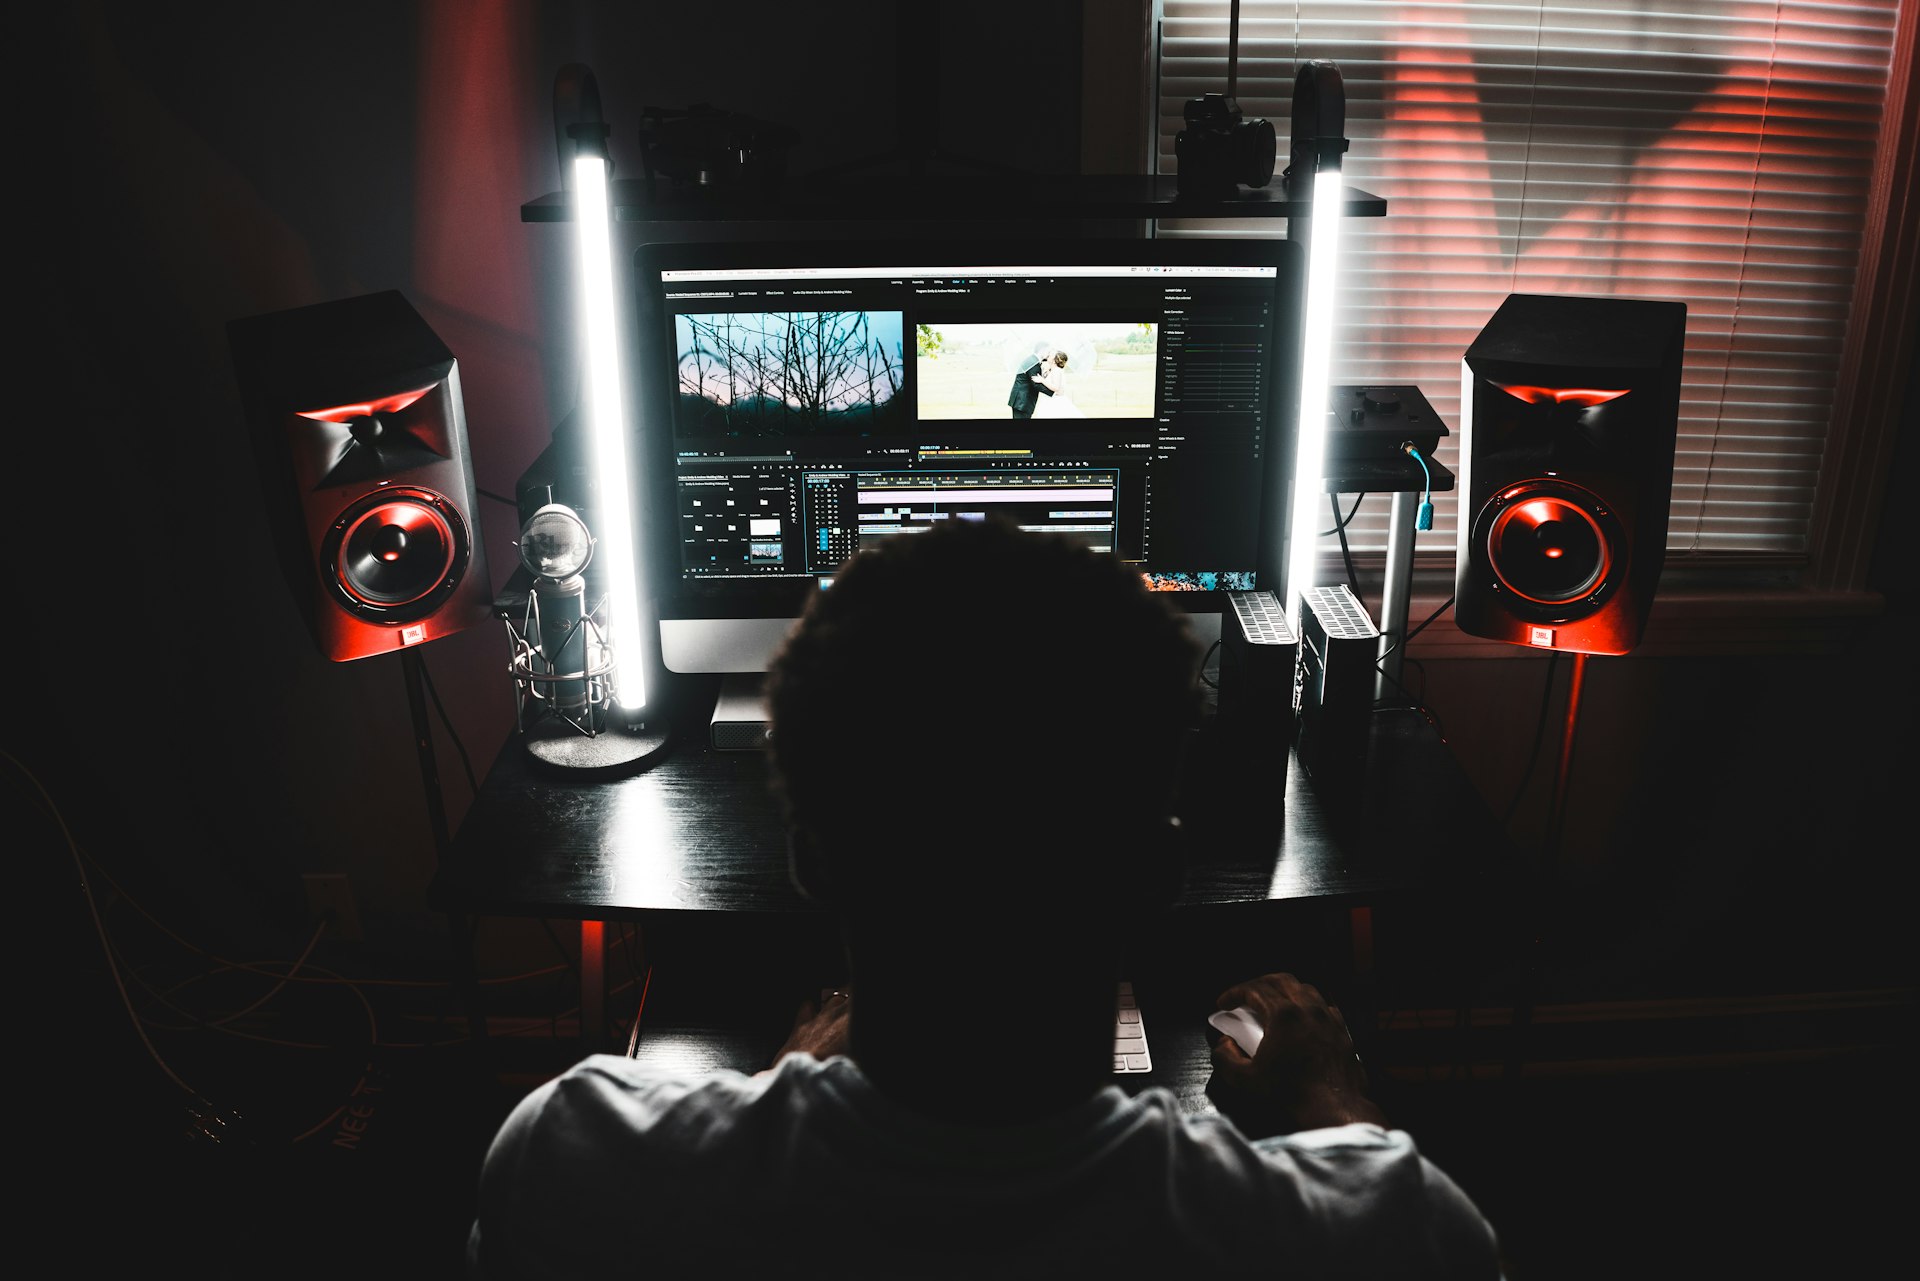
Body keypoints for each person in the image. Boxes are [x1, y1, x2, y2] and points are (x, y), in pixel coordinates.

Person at [467, 518, 1503, 1279]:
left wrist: (781, 1082)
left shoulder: (567, 1160)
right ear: (1159, 872)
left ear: (811, 862)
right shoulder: (1391, 1235)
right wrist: (1330, 1099)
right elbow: (1419, 1223)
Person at [1031, 349, 1085, 419]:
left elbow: (1056, 388)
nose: (1048, 355)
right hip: (1049, 399)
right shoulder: (1052, 370)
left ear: (1054, 361)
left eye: (1050, 355)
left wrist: (1042, 380)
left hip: (1054, 401)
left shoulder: (1057, 371)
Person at [1006, 347, 1055, 418]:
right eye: (1048, 351)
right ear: (1042, 350)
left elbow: (1034, 379)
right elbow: (1036, 384)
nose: (1048, 354)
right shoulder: (1033, 363)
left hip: (1021, 400)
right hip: (1023, 402)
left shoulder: (1032, 360)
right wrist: (1053, 392)